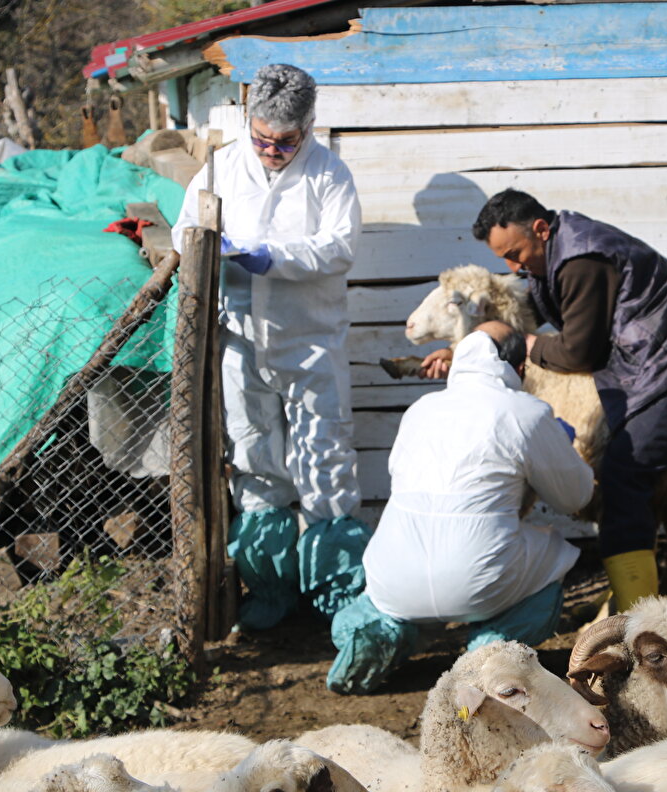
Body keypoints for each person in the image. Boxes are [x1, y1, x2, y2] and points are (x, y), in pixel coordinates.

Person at [445, 188, 667, 617]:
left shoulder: (582, 260)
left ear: (540, 228)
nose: (513, 268)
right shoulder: (559, 252)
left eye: (515, 254)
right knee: (638, 471)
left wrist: (529, 344)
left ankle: (639, 618)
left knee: (625, 476)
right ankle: (640, 598)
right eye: (505, 261)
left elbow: (578, 353)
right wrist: (467, 349)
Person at [170, 63, 369, 630]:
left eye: (285, 141)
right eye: (262, 138)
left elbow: (338, 248)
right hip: (240, 342)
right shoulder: (219, 167)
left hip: (310, 344)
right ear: (248, 123)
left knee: (326, 462)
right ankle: (270, 590)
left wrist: (269, 257)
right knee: (256, 461)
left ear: (308, 127)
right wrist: (212, 248)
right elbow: (190, 232)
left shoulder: (330, 175)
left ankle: (337, 600)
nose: (272, 150)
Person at [327, 321, 594, 694]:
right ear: (519, 368)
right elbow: (575, 497)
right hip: (479, 581)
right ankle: (488, 654)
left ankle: (380, 632)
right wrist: (558, 446)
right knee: (554, 557)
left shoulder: (420, 410)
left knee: (387, 598)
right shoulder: (525, 413)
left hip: (395, 578)